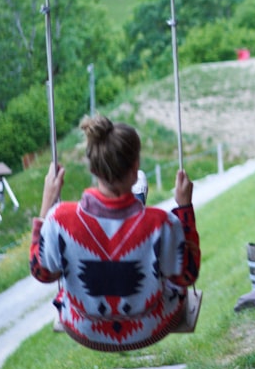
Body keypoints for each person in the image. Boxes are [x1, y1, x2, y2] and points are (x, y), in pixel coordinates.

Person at [29, 115, 200, 351]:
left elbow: (42, 272)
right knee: (164, 266)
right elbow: (186, 275)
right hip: (148, 326)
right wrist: (184, 209)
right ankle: (132, 207)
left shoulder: (60, 219)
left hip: (85, 327)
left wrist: (47, 205)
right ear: (135, 167)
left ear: (92, 167)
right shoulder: (162, 224)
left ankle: (124, 209)